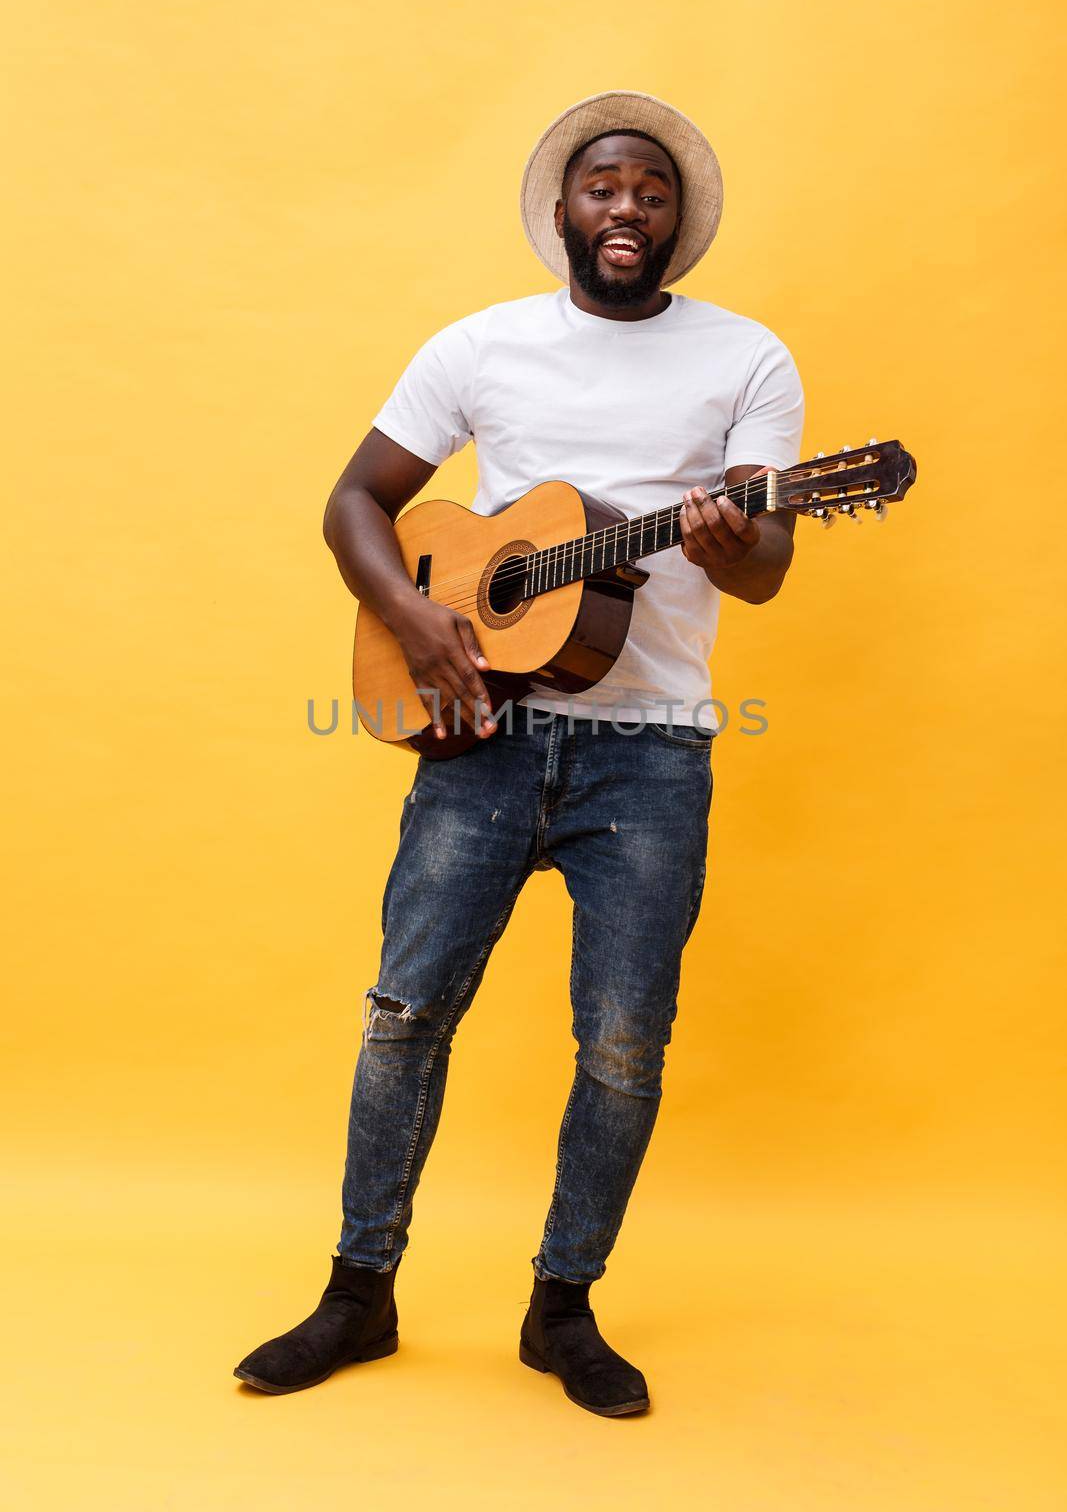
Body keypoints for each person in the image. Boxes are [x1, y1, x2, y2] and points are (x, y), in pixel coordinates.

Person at [233, 90, 803, 1417]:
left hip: (650, 755)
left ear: (679, 224)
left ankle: (563, 1307)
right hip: (481, 728)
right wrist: (416, 614)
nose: (626, 209)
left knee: (622, 1044)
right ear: (564, 206)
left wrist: (741, 541)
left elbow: (769, 571)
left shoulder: (748, 359)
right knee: (405, 1015)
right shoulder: (482, 345)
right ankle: (358, 1291)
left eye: (650, 194)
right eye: (604, 186)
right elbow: (354, 503)